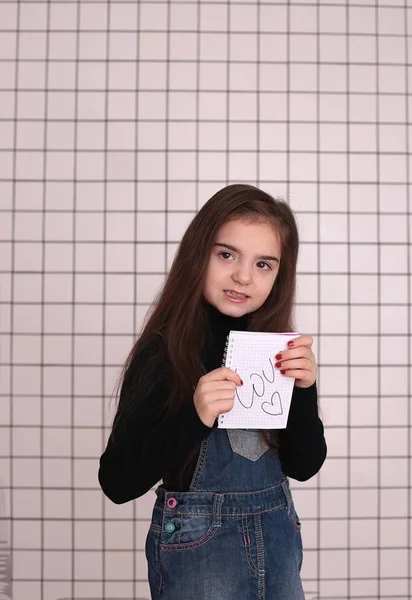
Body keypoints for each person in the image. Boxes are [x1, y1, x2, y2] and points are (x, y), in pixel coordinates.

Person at [98, 184, 327, 600]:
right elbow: (116, 482)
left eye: (263, 264)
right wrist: (194, 416)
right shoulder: (163, 352)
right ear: (196, 254)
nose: (242, 276)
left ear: (280, 275)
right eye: (226, 255)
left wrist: (305, 390)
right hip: (199, 555)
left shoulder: (276, 353)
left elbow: (305, 464)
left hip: (278, 548)